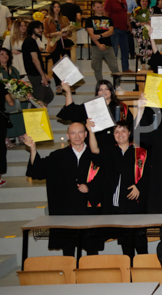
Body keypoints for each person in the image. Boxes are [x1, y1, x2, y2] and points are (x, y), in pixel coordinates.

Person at [24, 124, 101, 256]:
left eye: (80, 132)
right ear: (68, 136)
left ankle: (91, 269)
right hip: (66, 210)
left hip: (89, 209)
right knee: (68, 249)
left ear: (86, 134)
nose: (77, 136)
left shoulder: (95, 156)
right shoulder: (58, 156)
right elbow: (38, 171)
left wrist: (90, 187)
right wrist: (33, 149)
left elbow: (105, 180)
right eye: (73, 133)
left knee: (92, 248)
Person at [86, 119, 148, 258]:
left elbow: (150, 175)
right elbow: (95, 150)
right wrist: (90, 131)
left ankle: (144, 270)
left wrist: (139, 187)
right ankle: (129, 271)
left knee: (140, 244)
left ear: (129, 133)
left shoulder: (140, 153)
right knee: (126, 246)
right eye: (116, 131)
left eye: (123, 131)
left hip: (135, 205)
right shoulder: (109, 151)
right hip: (116, 207)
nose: (120, 134)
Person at [58, 79, 133, 149]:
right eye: (100, 90)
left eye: (106, 89)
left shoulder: (122, 107)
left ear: (111, 91)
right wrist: (68, 92)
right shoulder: (90, 106)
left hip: (116, 146)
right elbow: (71, 112)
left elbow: (130, 127)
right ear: (97, 93)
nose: (104, 91)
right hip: (95, 145)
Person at [85, 1, 121, 82]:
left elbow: (110, 32)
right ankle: (100, 85)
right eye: (98, 7)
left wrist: (100, 36)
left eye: (101, 7)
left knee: (114, 67)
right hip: (96, 47)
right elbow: (91, 35)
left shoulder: (108, 19)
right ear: (93, 8)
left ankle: (117, 86)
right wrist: (99, 45)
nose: (100, 9)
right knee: (97, 68)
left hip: (108, 46)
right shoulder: (89, 20)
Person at [43, 1, 73, 94]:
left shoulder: (64, 18)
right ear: (52, 8)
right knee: (56, 66)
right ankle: (57, 86)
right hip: (54, 44)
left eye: (58, 7)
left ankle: (68, 85)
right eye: (55, 7)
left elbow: (70, 31)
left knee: (67, 65)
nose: (57, 8)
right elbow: (46, 34)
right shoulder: (47, 20)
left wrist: (67, 32)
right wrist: (57, 33)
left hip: (64, 43)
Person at [22, 20, 54, 105]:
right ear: (32, 29)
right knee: (38, 100)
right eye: (38, 28)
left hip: (37, 74)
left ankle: (42, 109)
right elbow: (35, 60)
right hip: (35, 75)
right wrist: (43, 75)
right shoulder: (30, 41)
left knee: (49, 96)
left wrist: (44, 74)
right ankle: (38, 112)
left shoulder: (32, 41)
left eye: (41, 28)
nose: (41, 30)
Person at [104, 0, 133, 73]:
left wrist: (129, 24)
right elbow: (105, 14)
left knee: (125, 49)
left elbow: (125, 13)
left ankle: (125, 69)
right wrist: (109, 27)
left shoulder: (123, 0)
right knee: (114, 50)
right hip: (114, 29)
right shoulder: (109, 0)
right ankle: (114, 70)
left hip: (123, 28)